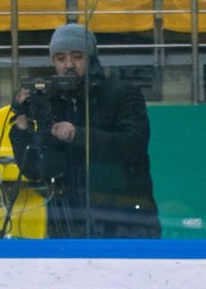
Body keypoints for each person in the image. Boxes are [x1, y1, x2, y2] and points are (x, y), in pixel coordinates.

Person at [8, 22, 159, 240]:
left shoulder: (123, 93)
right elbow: (34, 172)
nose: (69, 65)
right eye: (61, 58)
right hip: (68, 222)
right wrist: (22, 126)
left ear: (91, 58)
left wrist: (76, 134)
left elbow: (133, 145)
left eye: (77, 57)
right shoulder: (50, 103)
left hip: (124, 219)